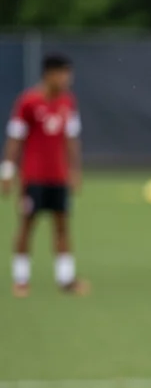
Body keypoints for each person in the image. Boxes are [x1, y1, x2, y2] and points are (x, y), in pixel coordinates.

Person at [1, 53, 87, 297]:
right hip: (34, 177)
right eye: (62, 73)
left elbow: (71, 139)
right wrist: (7, 169)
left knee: (62, 225)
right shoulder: (28, 102)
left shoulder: (68, 102)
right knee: (27, 225)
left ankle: (66, 279)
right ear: (49, 74)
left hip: (58, 177)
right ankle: (21, 279)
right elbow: (15, 138)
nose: (66, 79)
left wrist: (74, 170)